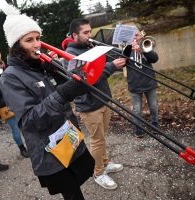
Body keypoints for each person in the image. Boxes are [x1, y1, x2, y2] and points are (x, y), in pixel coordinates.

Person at [0, 4, 95, 199]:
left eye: (38, 38)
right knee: (71, 192)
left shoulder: (38, 66)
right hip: (51, 150)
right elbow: (27, 121)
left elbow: (62, 95)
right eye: (29, 40)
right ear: (16, 46)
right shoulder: (10, 77)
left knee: (77, 185)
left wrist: (61, 75)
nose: (37, 44)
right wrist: (62, 93)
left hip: (68, 136)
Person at [63, 18, 126, 190]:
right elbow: (88, 79)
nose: (90, 35)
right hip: (89, 106)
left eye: (90, 31)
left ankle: (105, 163)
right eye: (86, 32)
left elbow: (101, 68)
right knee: (97, 140)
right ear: (75, 35)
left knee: (102, 136)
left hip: (102, 99)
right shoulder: (72, 56)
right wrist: (111, 66)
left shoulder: (89, 47)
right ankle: (98, 173)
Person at [0, 55, 29, 158]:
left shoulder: (11, 71)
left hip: (18, 102)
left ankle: (31, 144)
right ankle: (22, 149)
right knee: (15, 129)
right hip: (4, 106)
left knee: (26, 126)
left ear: (1, 64)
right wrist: (3, 78)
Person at [124, 28, 159, 138]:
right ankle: (138, 128)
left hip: (149, 82)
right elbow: (121, 61)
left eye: (137, 35)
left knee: (153, 106)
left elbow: (155, 59)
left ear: (141, 36)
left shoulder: (146, 45)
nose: (135, 37)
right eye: (133, 36)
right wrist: (129, 48)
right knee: (137, 109)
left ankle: (155, 125)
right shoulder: (126, 49)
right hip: (135, 84)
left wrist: (144, 51)